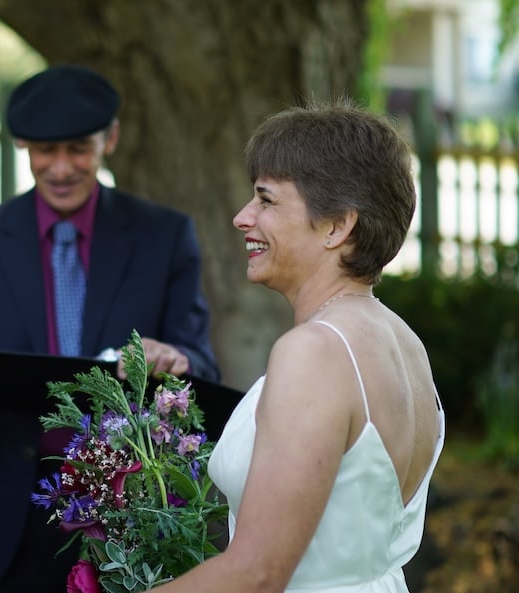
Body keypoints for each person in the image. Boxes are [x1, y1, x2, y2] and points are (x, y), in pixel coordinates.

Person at [0, 64, 220, 592]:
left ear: (111, 139)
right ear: (22, 146)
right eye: (43, 151)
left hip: (132, 518)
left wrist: (176, 362)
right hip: (6, 519)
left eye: (77, 149)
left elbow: (202, 365)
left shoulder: (164, 237)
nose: (59, 168)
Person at [150, 100, 445, 593]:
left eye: (266, 200)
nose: (243, 217)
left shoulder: (314, 352)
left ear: (337, 226)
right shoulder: (405, 342)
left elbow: (257, 574)